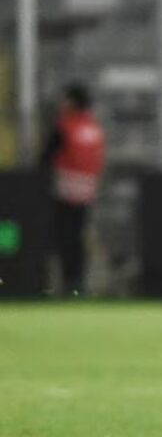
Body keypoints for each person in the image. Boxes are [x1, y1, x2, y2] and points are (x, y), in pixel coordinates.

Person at [39, 83, 105, 295]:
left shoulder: (65, 126)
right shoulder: (93, 128)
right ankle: (77, 282)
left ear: (72, 102)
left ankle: (62, 282)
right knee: (77, 239)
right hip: (86, 191)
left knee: (60, 238)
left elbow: (46, 157)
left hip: (63, 190)